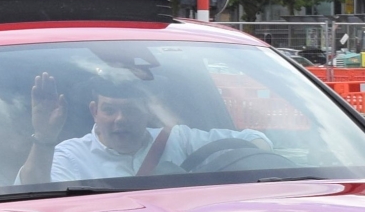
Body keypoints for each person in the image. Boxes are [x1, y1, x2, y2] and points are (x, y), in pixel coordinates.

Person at [18, 70, 268, 184]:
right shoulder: (70, 156)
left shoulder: (178, 139)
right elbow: (30, 190)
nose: (120, 119)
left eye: (131, 110)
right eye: (109, 110)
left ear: (147, 113)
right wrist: (44, 136)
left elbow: (253, 140)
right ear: (94, 111)